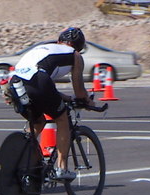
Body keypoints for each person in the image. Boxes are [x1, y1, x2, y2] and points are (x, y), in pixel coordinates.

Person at [6, 27, 94, 180]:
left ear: (60, 41)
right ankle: (62, 168)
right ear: (78, 46)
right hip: (37, 79)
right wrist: (86, 99)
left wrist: (66, 98)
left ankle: (20, 157)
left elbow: (43, 88)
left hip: (14, 82)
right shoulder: (75, 55)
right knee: (62, 117)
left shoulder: (46, 48)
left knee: (38, 121)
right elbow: (79, 89)